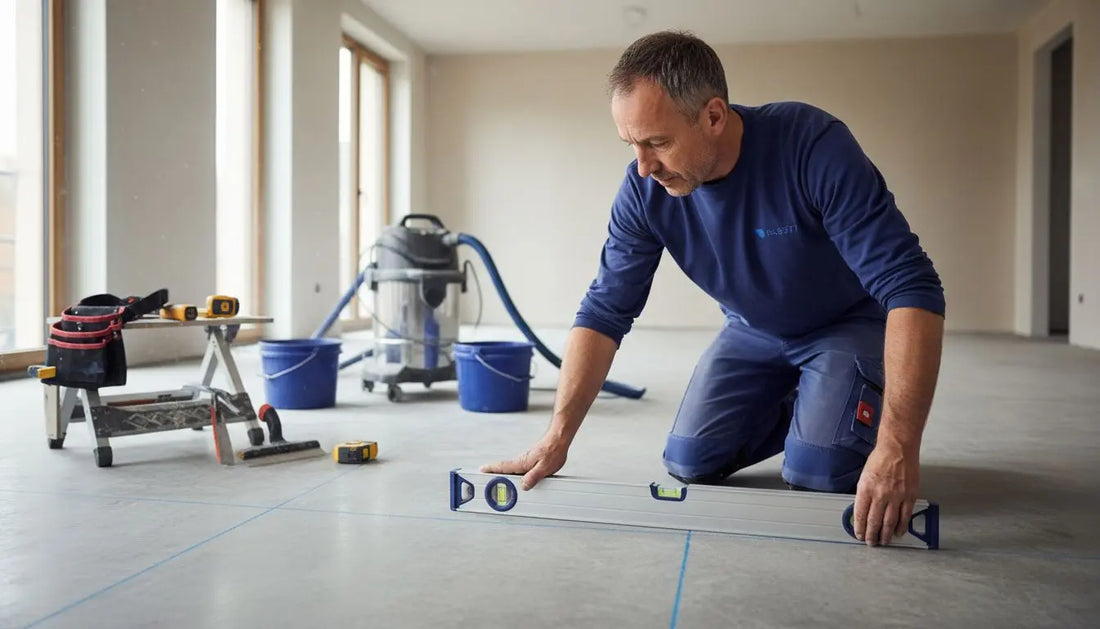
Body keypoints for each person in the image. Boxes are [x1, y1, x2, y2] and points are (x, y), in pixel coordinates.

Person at [481, 30, 945, 547]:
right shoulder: (643, 189)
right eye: (631, 144)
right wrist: (557, 437)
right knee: (689, 461)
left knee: (821, 472)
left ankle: (838, 404)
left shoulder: (812, 145)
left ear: (714, 116)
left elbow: (911, 285)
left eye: (658, 142)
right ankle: (817, 401)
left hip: (846, 325)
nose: (643, 165)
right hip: (752, 332)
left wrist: (899, 444)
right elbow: (605, 310)